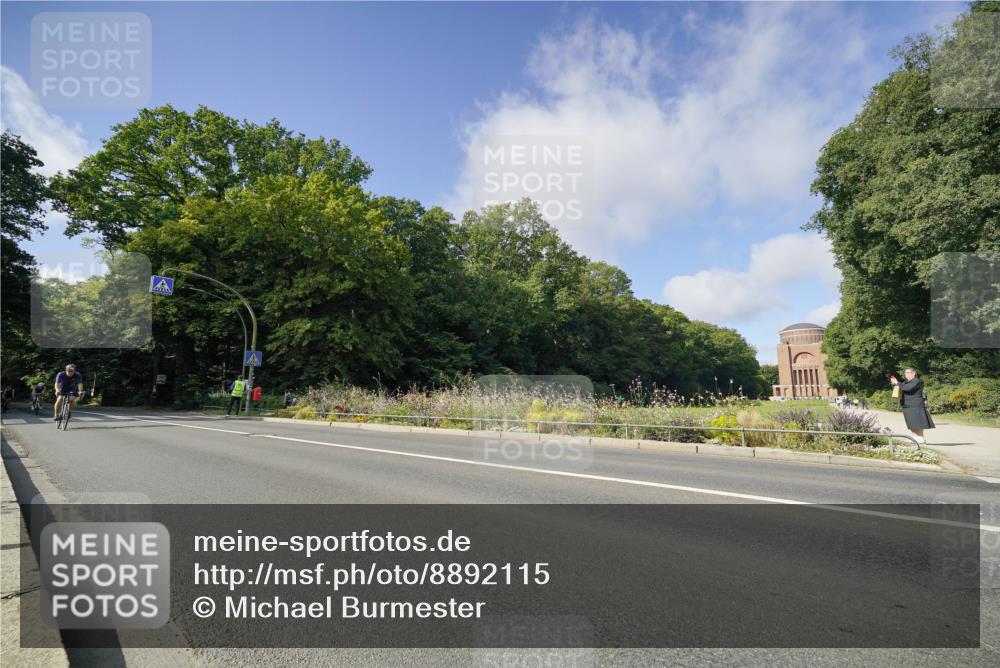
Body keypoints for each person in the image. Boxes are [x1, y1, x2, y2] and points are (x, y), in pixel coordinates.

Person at [890, 368, 935, 444]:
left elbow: (907, 388)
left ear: (914, 373)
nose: (906, 374)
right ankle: (914, 437)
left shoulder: (917, 381)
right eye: (905, 373)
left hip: (915, 404)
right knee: (911, 422)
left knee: (918, 421)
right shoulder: (906, 382)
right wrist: (894, 383)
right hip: (906, 404)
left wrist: (897, 383)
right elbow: (899, 388)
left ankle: (920, 437)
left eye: (908, 372)